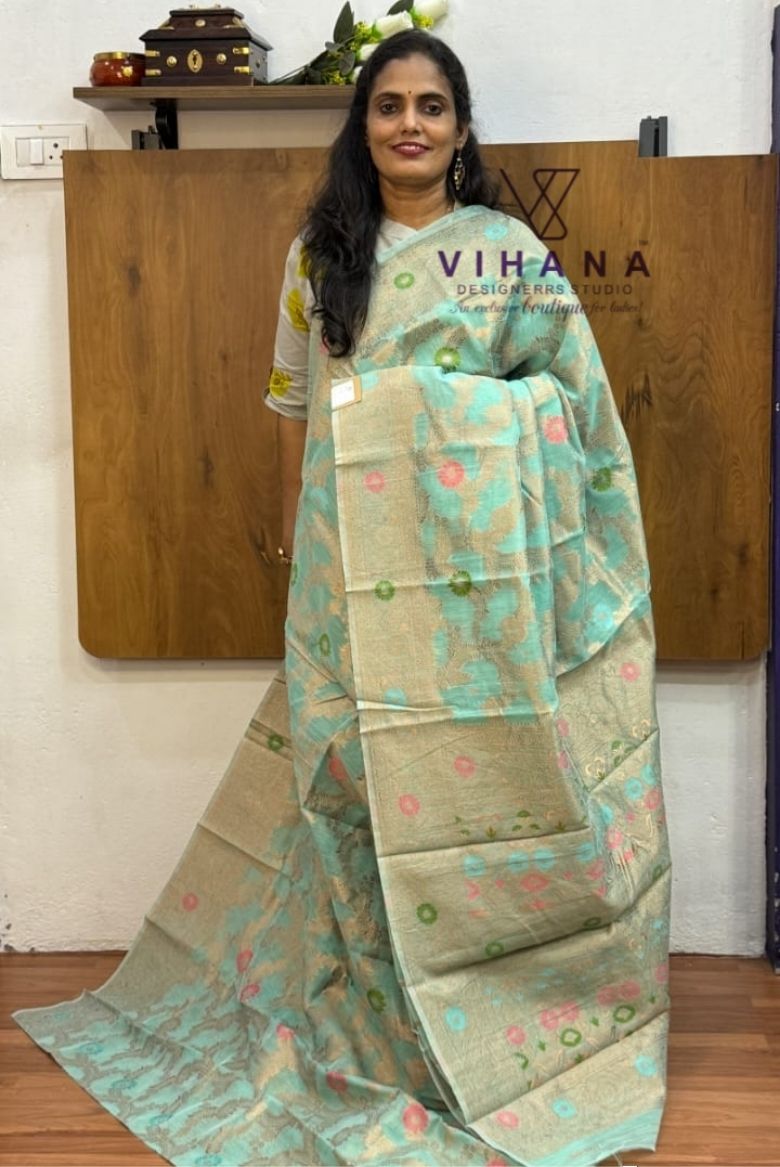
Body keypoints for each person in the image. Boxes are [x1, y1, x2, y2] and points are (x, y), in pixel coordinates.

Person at [14, 30, 671, 1167]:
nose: (410, 123)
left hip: (476, 595)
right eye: (389, 105)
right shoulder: (323, 255)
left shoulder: (501, 255)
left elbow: (571, 404)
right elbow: (294, 405)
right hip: (349, 569)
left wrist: (431, 411)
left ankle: (483, 1020)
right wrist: (296, 539)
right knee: (351, 779)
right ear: (361, 126)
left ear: (461, 131)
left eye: (431, 106)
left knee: (472, 785)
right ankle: (378, 1022)